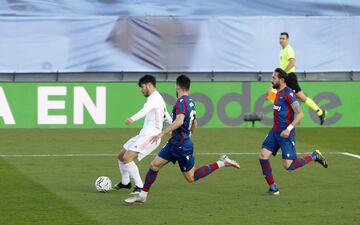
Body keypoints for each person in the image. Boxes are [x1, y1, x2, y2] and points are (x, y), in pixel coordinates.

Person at [125, 74, 240, 204]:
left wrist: (164, 132)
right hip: (174, 143)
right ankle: (143, 195)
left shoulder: (181, 102)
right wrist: (189, 134)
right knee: (154, 165)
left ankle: (222, 162)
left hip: (181, 146)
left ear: (178, 86)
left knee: (191, 177)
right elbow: (195, 123)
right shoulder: (190, 102)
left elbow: (179, 121)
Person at [260, 68, 328, 195]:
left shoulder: (288, 93)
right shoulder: (277, 92)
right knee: (263, 155)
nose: (271, 80)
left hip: (286, 134)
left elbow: (300, 114)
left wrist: (288, 129)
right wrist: (271, 84)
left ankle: (314, 156)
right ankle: (273, 187)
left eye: (274, 78)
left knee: (289, 166)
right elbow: (268, 93)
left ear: (282, 80)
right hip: (275, 132)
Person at [114, 74, 172, 194]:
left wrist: (132, 119)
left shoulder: (154, 99)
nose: (141, 89)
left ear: (149, 85)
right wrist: (172, 128)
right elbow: (166, 116)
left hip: (151, 136)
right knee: (121, 155)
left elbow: (145, 110)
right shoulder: (158, 98)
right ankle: (125, 182)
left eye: (142, 87)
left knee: (127, 158)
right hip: (143, 134)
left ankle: (140, 187)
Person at [268, 32, 327, 125]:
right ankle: (320, 112)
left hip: (289, 77)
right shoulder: (283, 50)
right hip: (286, 77)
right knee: (299, 98)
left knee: (274, 92)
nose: (281, 40)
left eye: (283, 38)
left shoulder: (288, 50)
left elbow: (292, 62)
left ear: (287, 40)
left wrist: (283, 73)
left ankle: (283, 114)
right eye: (280, 38)